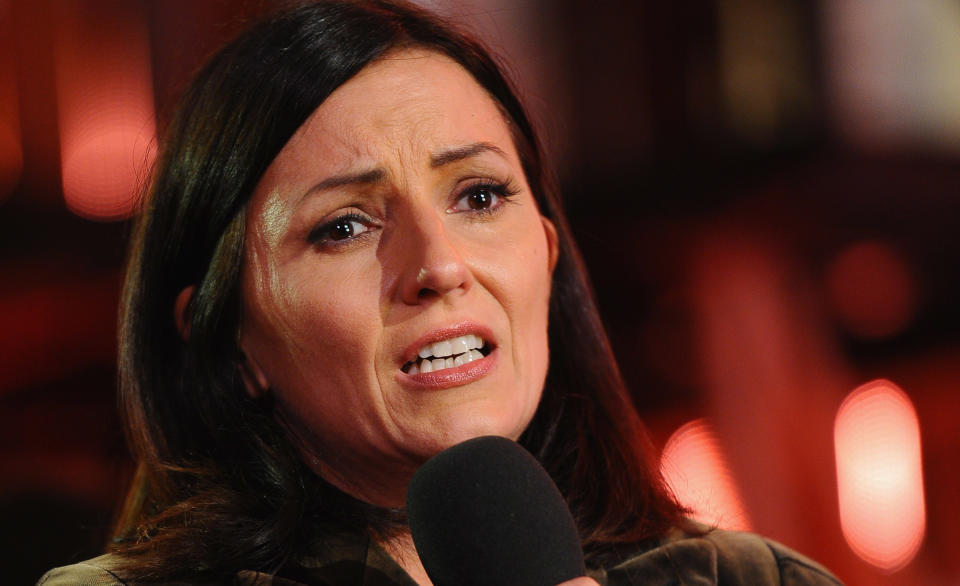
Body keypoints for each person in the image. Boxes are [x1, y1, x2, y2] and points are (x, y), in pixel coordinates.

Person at [38, 1, 841, 584]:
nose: (441, 266)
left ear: (548, 255)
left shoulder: (749, 578)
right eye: (344, 226)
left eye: (481, 197)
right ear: (229, 339)